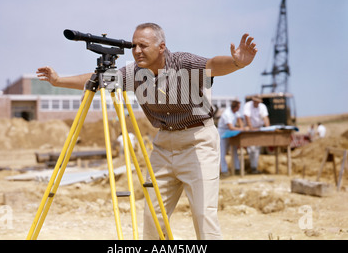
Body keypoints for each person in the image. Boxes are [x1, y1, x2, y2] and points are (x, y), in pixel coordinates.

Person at [36, 22, 258, 240]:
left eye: (143, 45)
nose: (136, 51)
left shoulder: (183, 62)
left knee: (203, 215)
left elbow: (212, 65)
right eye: (133, 46)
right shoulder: (134, 73)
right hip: (163, 146)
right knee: (152, 216)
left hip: (198, 143)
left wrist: (237, 63)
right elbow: (98, 81)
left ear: (161, 47)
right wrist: (58, 80)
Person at [217, 99, 245, 177]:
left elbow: (239, 120)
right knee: (222, 152)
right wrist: (241, 129)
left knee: (234, 150)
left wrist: (242, 127)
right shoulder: (227, 113)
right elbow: (231, 127)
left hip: (230, 133)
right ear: (235, 107)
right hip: (223, 133)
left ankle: (237, 169)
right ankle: (224, 171)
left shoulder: (236, 112)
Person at [243, 96, 270, 174]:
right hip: (250, 129)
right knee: (251, 149)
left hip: (258, 129)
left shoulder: (262, 107)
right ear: (253, 101)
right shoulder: (248, 105)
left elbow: (265, 117)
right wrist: (251, 128)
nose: (257, 103)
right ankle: (252, 167)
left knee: (257, 148)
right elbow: (247, 117)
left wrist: (268, 128)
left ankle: (254, 167)